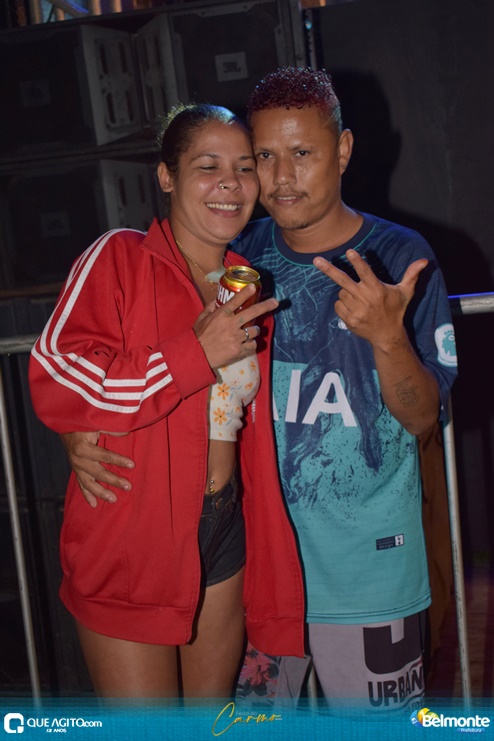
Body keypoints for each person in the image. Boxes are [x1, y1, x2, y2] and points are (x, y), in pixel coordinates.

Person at [59, 69, 458, 712]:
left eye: (302, 153)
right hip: (255, 571)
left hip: (366, 575)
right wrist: (81, 426)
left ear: (343, 150)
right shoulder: (237, 256)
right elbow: (120, 354)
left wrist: (388, 337)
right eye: (264, 157)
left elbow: (421, 418)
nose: (280, 178)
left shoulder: (397, 255)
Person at [28, 103, 305, 699]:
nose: (231, 183)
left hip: (224, 528)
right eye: (208, 166)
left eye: (244, 167)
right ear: (166, 176)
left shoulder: (247, 283)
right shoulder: (120, 257)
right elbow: (59, 371)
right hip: (135, 536)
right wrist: (193, 353)